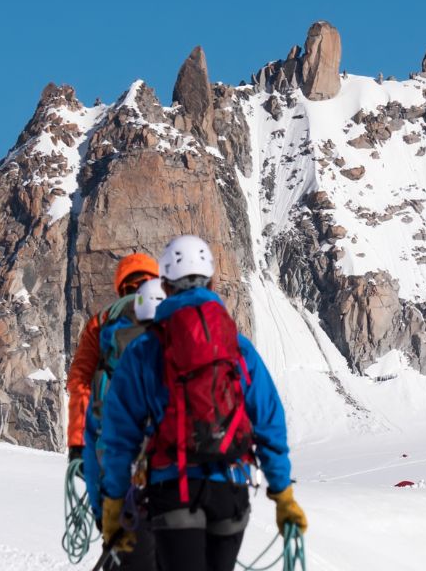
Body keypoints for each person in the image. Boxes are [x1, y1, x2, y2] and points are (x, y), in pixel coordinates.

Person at [99, 236, 307, 571]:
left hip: (173, 488)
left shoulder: (144, 350)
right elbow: (269, 420)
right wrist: (282, 494)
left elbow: (119, 435)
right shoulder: (237, 347)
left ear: (164, 285)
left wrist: (113, 502)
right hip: (232, 487)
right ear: (212, 281)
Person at [84, 276, 166, 570]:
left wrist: (102, 510)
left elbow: (96, 441)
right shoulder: (182, 358)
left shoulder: (111, 361)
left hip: (121, 494)